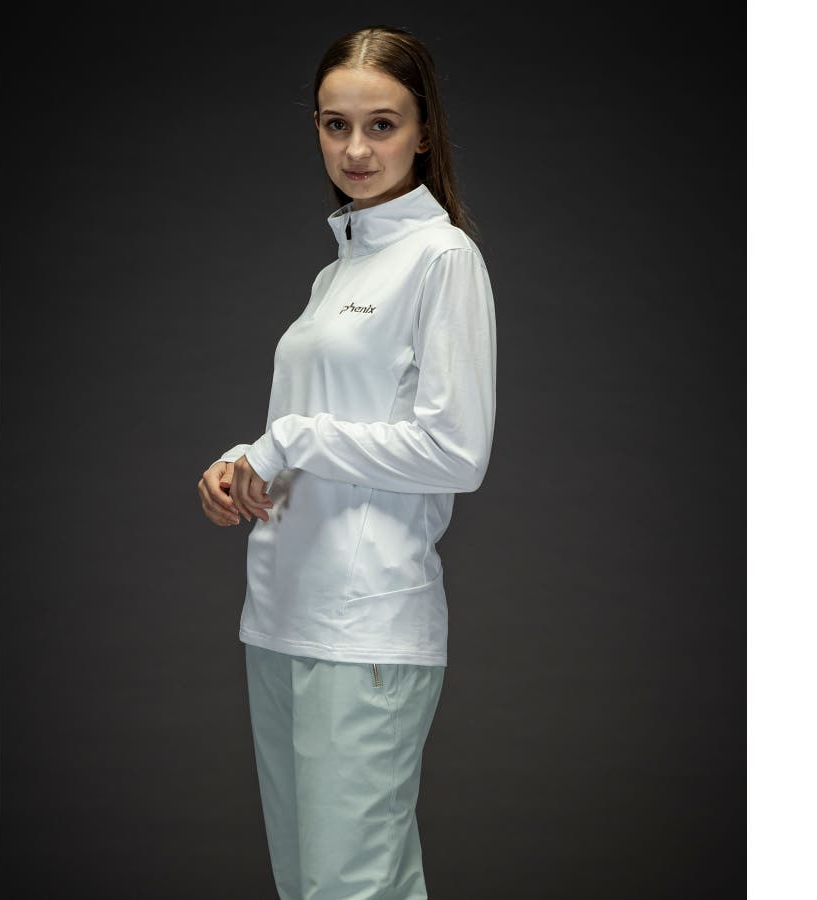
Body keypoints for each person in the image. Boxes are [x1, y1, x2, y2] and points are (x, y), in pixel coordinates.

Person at [196, 24, 497, 900]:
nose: (356, 149)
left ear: (424, 132)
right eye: (336, 125)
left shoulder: (443, 258)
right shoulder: (336, 275)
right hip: (280, 614)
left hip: (366, 625)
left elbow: (456, 451)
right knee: (305, 884)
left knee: (352, 888)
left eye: (382, 125)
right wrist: (243, 464)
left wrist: (288, 440)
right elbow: (317, 426)